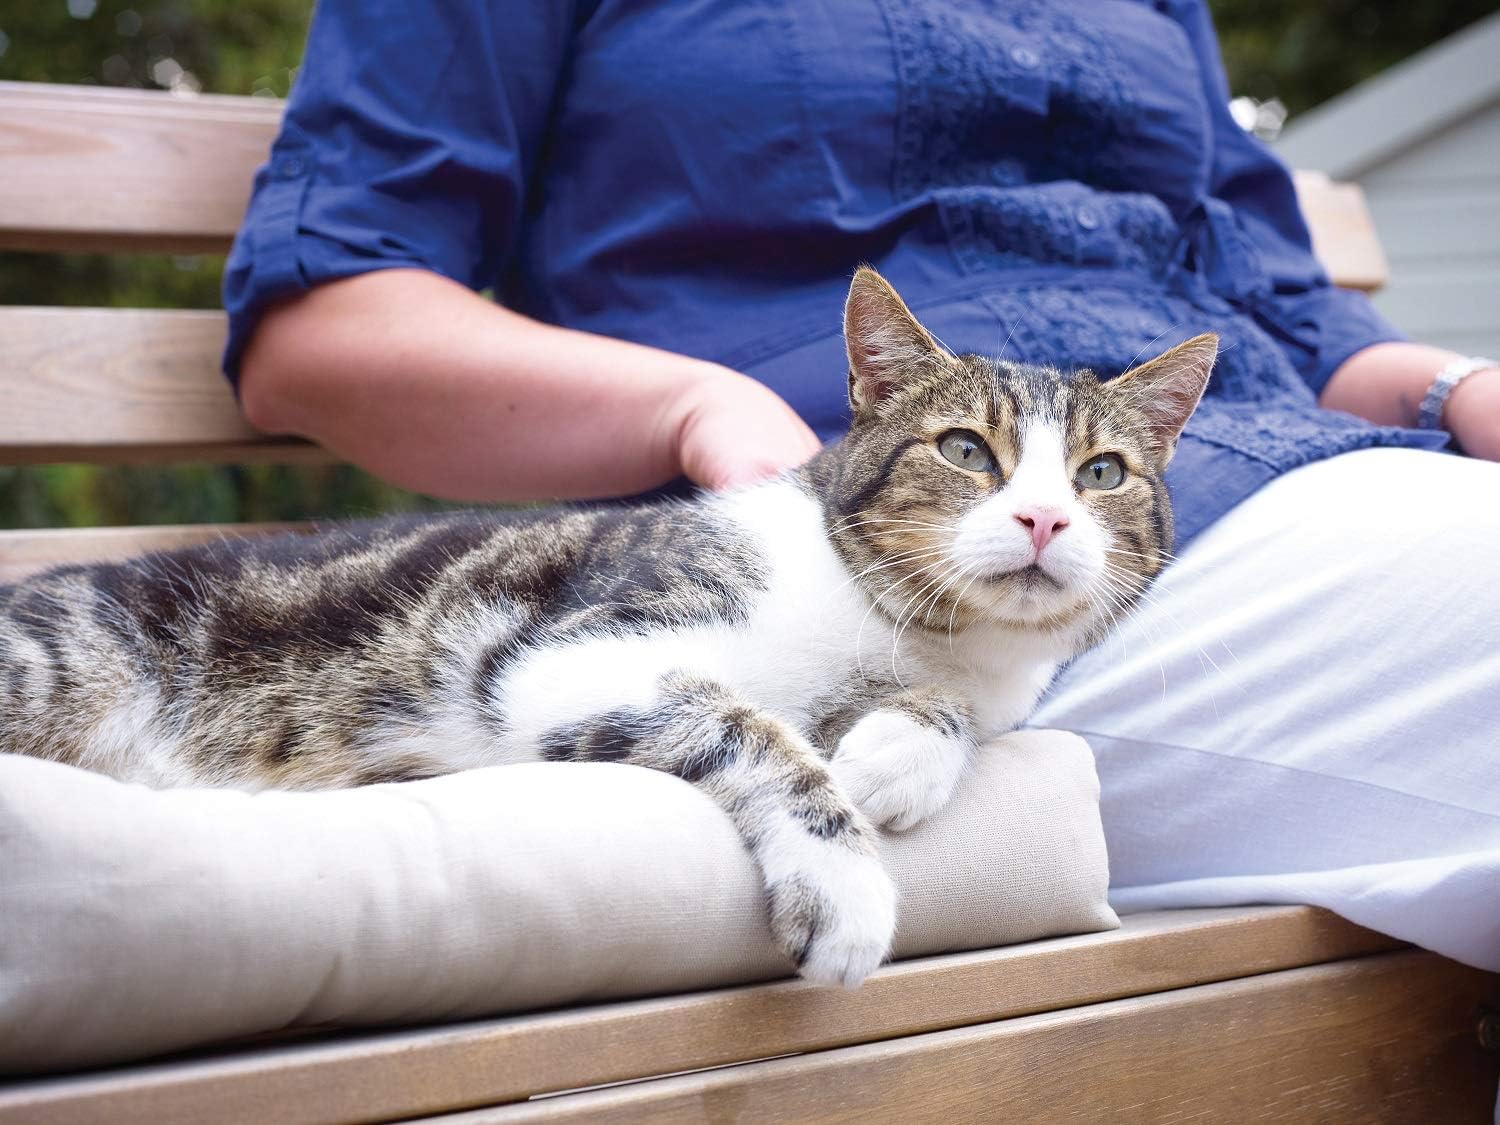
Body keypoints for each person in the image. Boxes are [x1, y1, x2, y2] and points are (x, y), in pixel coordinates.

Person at [223, 0, 1500, 974]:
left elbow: (1279, 298)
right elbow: (324, 322)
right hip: (921, 599)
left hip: (1294, 482)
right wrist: (689, 402)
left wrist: (1462, 392)